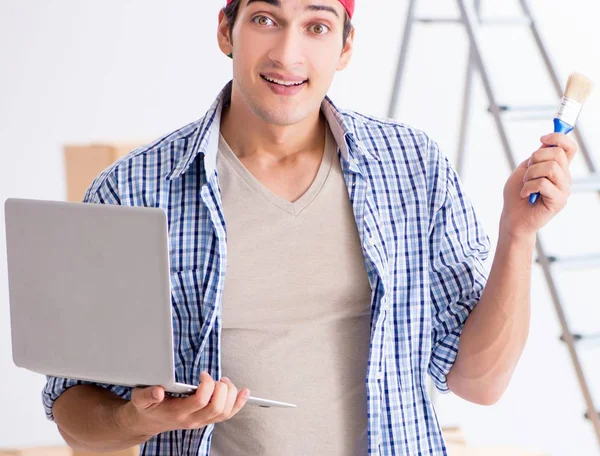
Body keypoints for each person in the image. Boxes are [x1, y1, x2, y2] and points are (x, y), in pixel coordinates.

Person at [41, 0, 577, 454]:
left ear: (345, 46)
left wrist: (518, 232)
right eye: (266, 20)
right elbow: (74, 409)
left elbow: (478, 382)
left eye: (316, 26)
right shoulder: (132, 191)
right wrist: (142, 420)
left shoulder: (414, 167)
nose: (287, 54)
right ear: (227, 30)